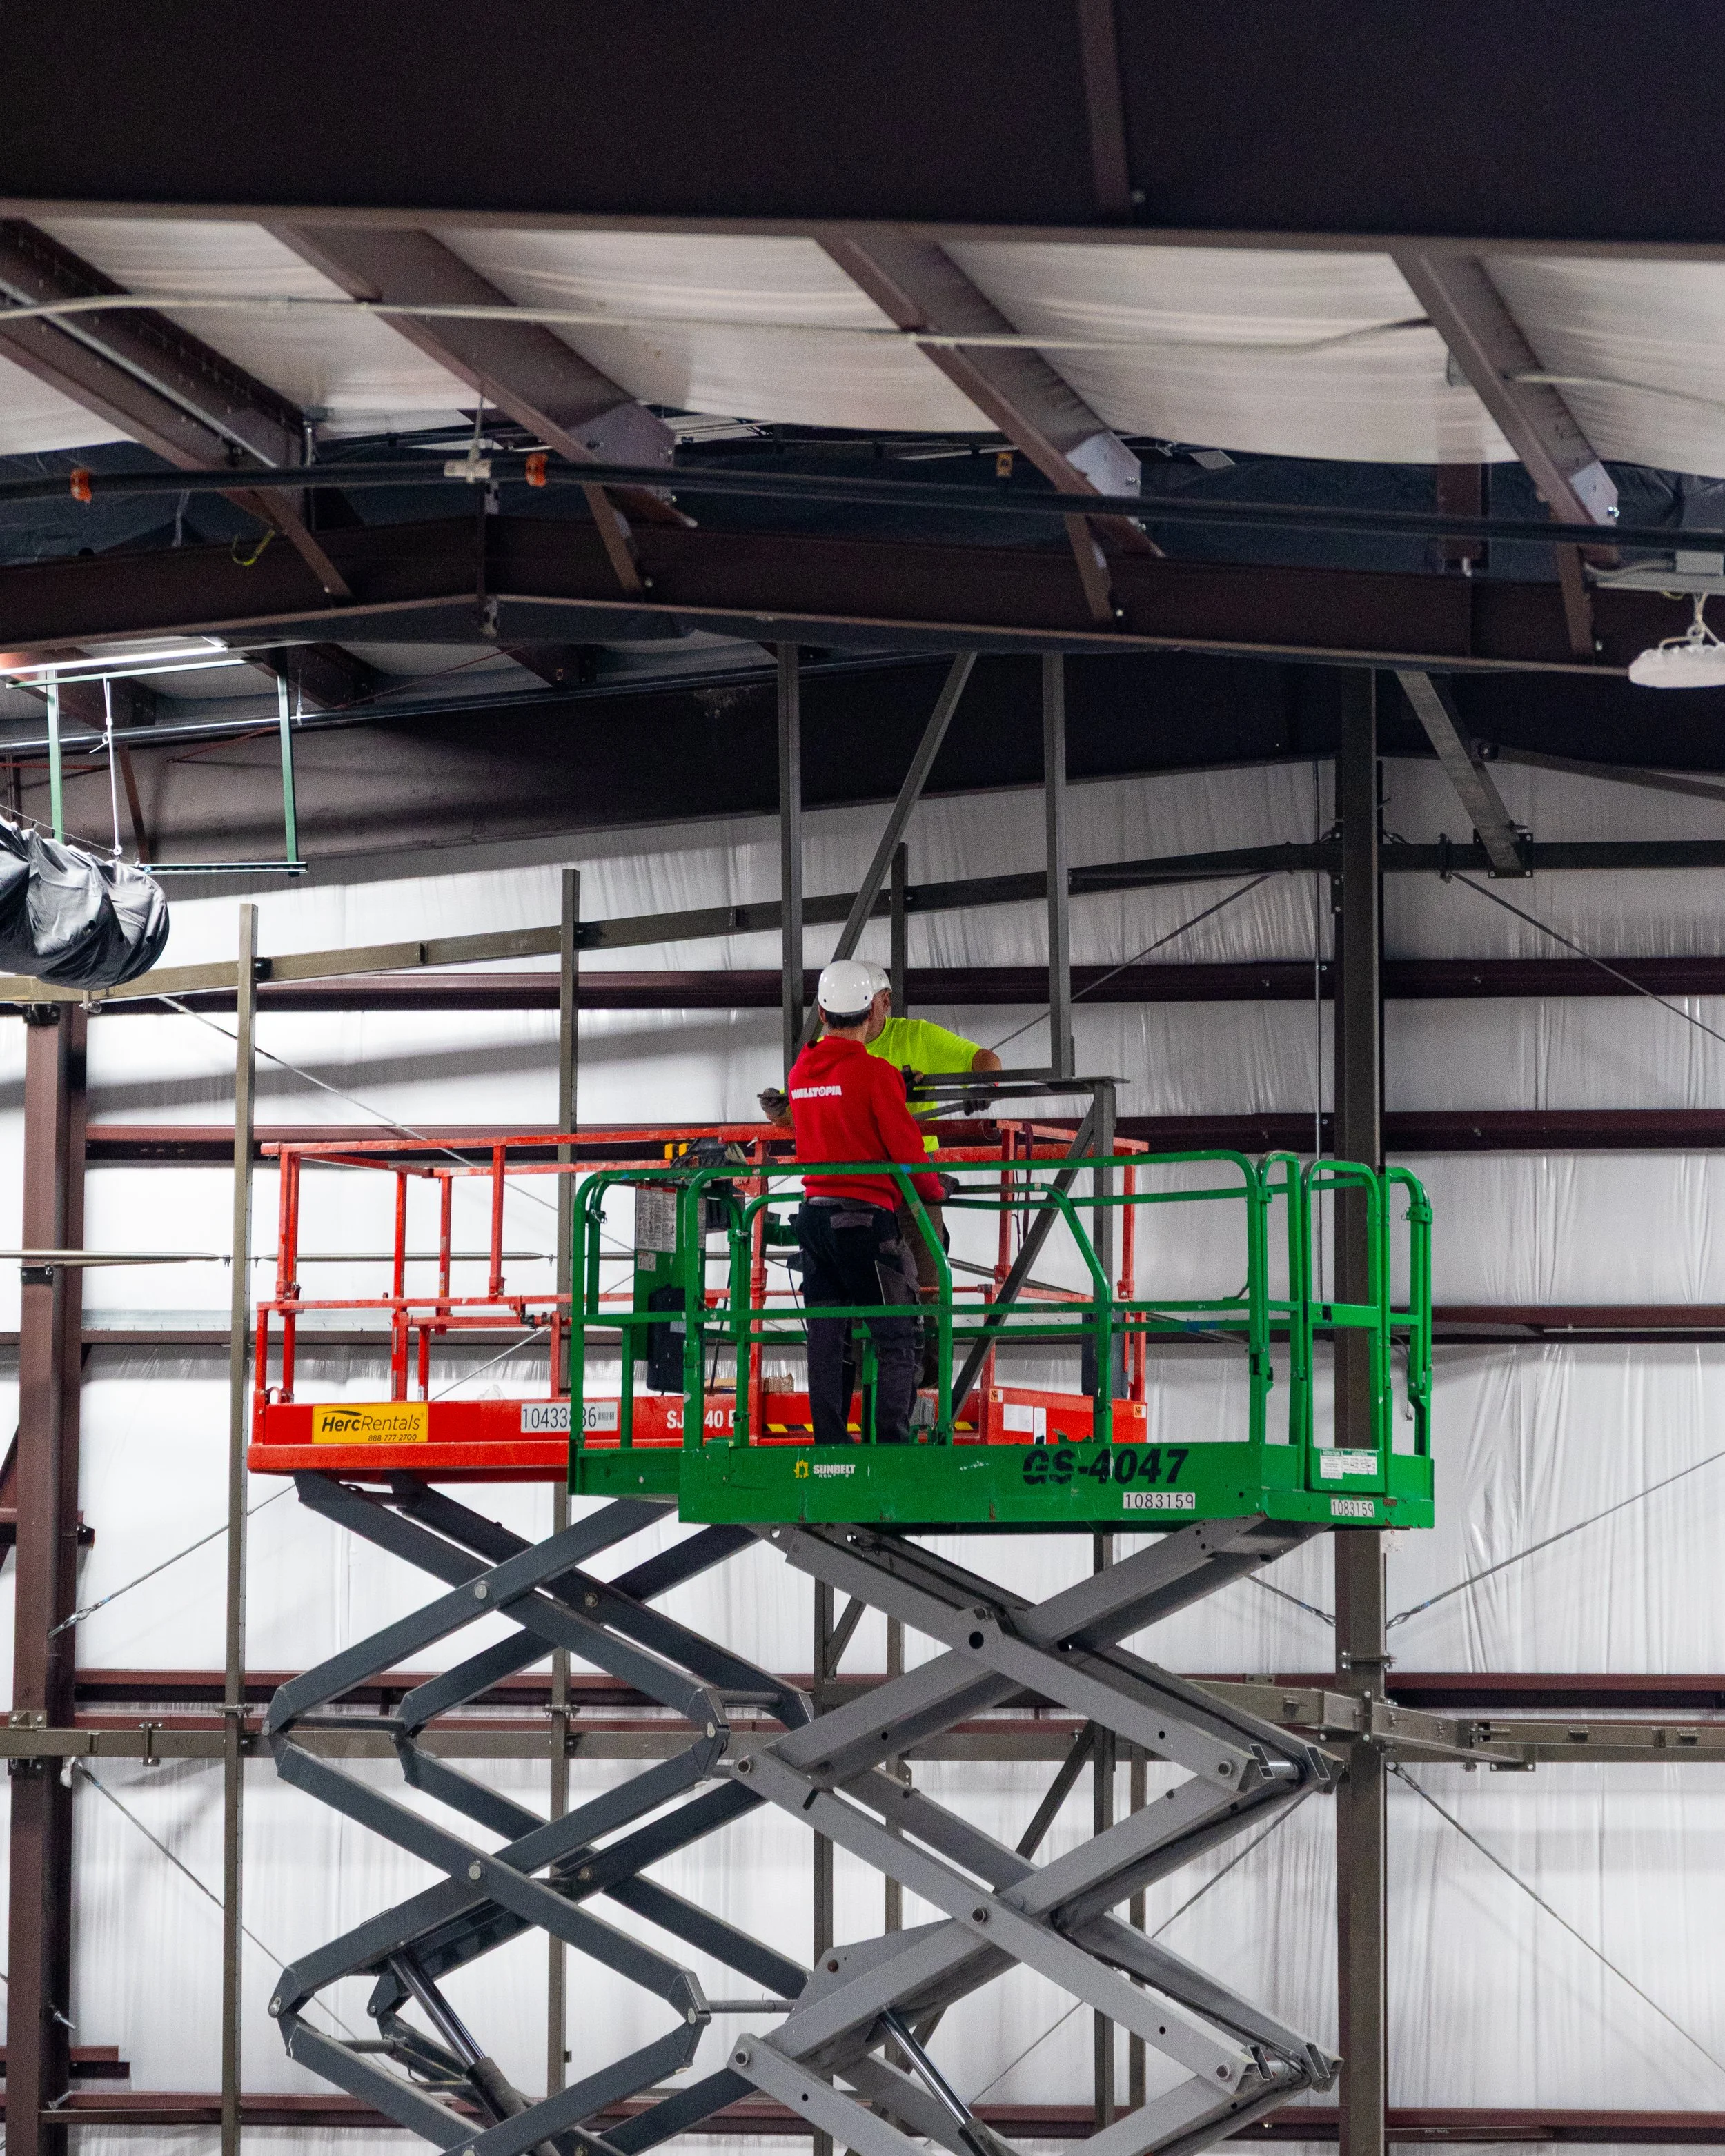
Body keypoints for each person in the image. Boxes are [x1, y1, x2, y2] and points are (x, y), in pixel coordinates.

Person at [760, 962, 1000, 1378]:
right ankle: (863, 1392)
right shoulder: (836, 1051)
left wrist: (981, 1084)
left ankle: (928, 1387)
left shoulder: (915, 1037)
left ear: (883, 1003)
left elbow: (987, 1061)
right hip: (869, 1190)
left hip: (905, 1191)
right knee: (868, 1305)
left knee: (925, 1289)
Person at [785, 959, 945, 1445]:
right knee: (898, 1335)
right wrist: (938, 1191)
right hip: (863, 1223)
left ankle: (831, 1441)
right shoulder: (876, 1075)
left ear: (822, 1010)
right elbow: (907, 1154)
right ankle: (892, 1443)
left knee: (828, 1334)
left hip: (814, 1218)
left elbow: (831, 1104)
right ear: (876, 1006)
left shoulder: (800, 1072)